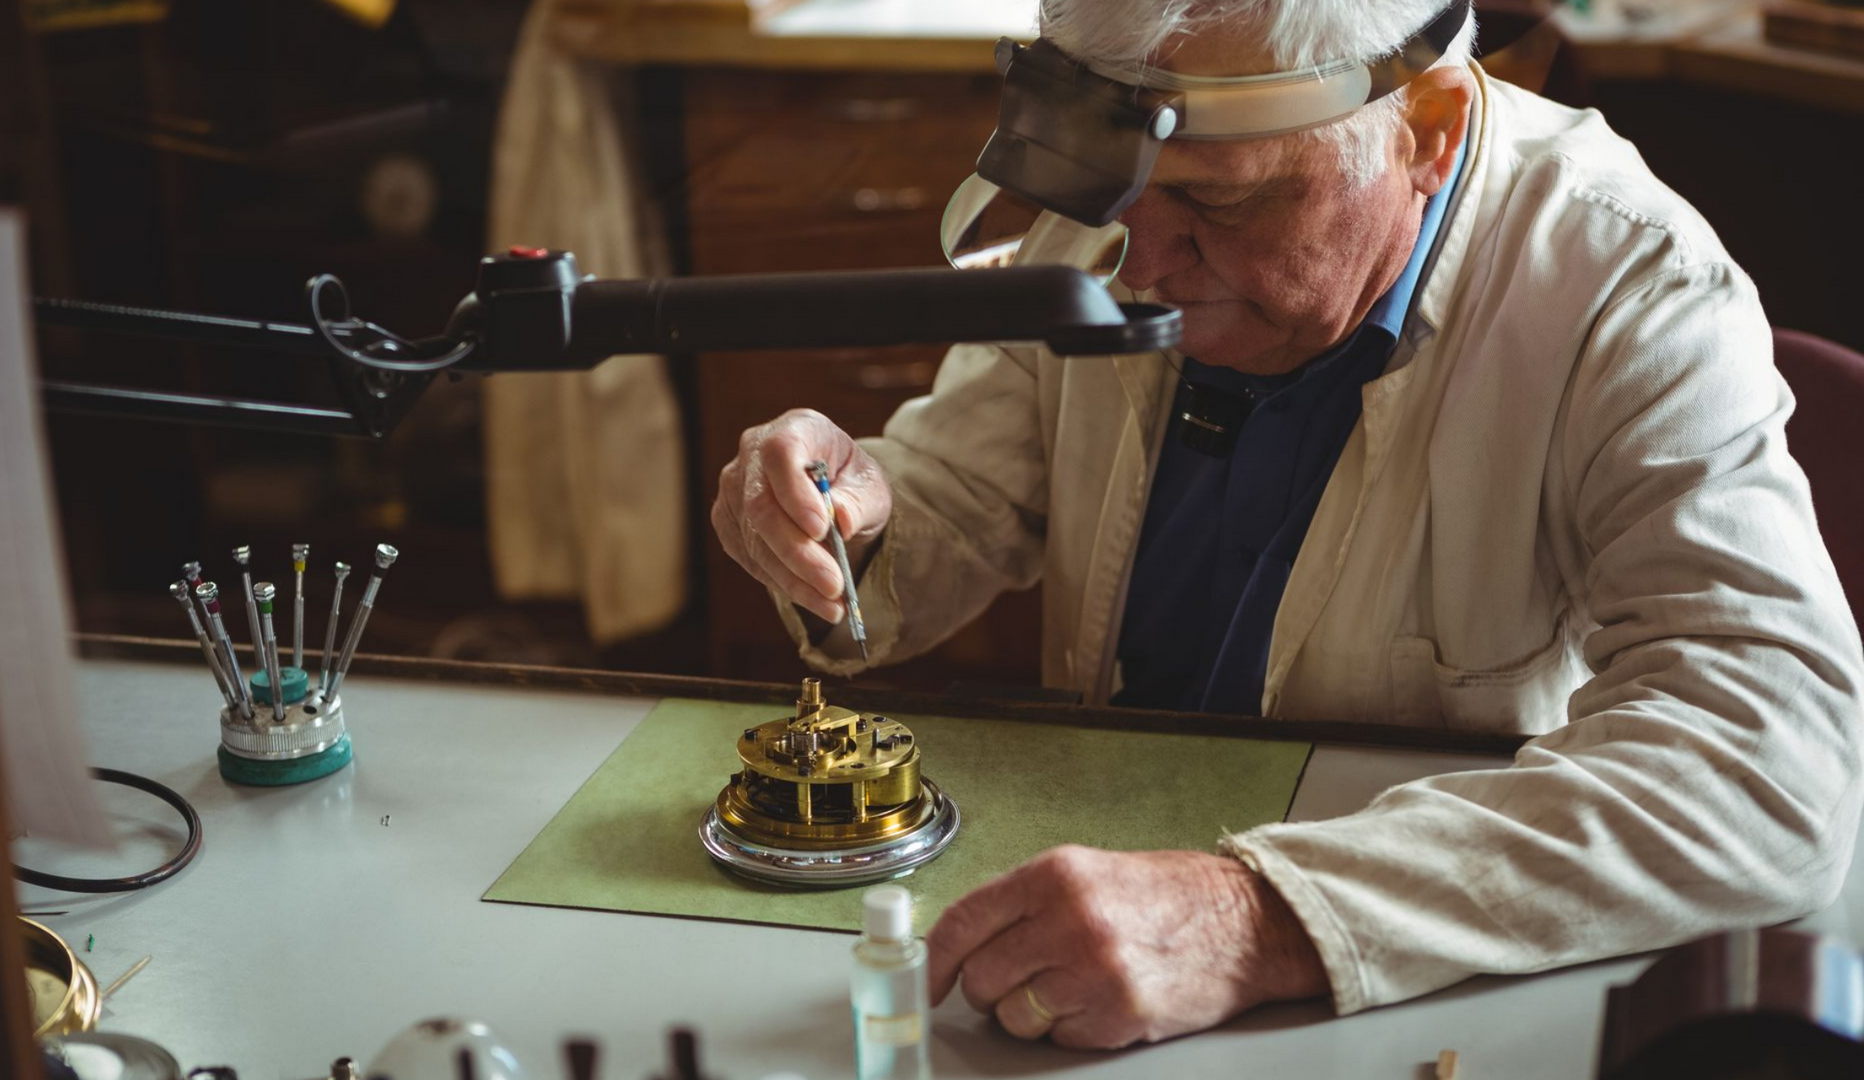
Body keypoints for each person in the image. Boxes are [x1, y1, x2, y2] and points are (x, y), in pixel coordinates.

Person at [710, 0, 1864, 1051]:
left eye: (1223, 202)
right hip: (1096, 963)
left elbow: (1770, 764)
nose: (1143, 267)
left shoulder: (1629, 282)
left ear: (1427, 128)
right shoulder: (1117, 223)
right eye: (1116, 196)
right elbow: (961, 496)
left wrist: (1260, 920)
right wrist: (844, 522)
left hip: (1411, 993)